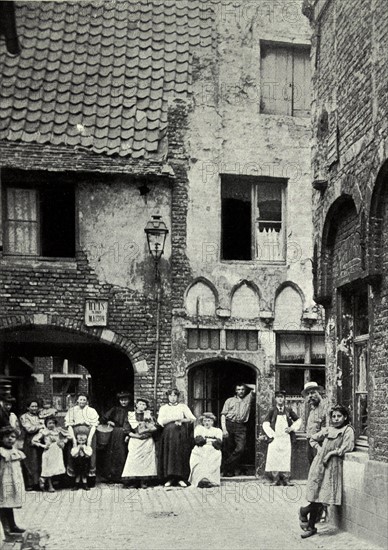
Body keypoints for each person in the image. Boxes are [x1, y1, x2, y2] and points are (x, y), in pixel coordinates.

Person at [299, 404, 354, 539]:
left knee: (323, 496)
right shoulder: (328, 429)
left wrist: (330, 454)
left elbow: (347, 447)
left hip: (332, 466)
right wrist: (319, 449)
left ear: (345, 417)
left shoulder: (348, 430)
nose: (336, 419)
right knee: (316, 494)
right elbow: (312, 438)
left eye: (339, 416)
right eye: (333, 416)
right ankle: (311, 527)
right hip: (319, 465)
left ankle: (304, 511)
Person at [157, 389, 196, 488]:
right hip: (168, 434)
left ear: (178, 397)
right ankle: (169, 479)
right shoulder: (164, 408)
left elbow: (192, 418)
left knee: (180, 454)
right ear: (168, 397)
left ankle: (180, 479)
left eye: (175, 396)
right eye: (170, 396)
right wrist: (173, 419)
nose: (173, 398)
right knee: (169, 455)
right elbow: (160, 421)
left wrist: (181, 420)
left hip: (180, 434)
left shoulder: (182, 406)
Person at [262, 390, 301, 486]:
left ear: (284, 399)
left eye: (282, 397)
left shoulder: (288, 410)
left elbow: (299, 420)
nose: (280, 399)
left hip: (285, 437)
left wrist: (292, 428)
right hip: (275, 438)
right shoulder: (272, 410)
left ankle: (286, 479)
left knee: (285, 457)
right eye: (278, 397)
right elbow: (265, 424)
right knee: (274, 457)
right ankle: (275, 479)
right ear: (275, 399)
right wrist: (271, 434)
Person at [220, 383, 255, 477]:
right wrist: (224, 429)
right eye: (238, 389)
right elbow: (223, 415)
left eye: (242, 389)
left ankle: (225, 466)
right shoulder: (229, 400)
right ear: (235, 391)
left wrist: (245, 384)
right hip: (229, 424)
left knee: (240, 448)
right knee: (228, 449)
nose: (241, 391)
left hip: (241, 426)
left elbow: (256, 387)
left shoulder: (248, 399)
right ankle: (229, 471)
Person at [121, 398, 157, 489]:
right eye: (140, 404)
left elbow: (154, 427)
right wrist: (136, 436)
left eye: (144, 405)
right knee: (134, 460)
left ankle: (144, 481)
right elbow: (127, 430)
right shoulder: (131, 415)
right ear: (136, 405)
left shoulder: (149, 415)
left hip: (147, 440)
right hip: (135, 440)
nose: (142, 406)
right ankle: (133, 481)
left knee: (146, 461)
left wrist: (148, 432)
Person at [64, 393, 99, 486]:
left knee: (90, 455)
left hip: (89, 434)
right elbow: (69, 426)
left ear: (87, 401)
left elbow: (94, 426)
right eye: (80, 399)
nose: (82, 401)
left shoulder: (92, 411)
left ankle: (88, 480)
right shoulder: (72, 410)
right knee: (73, 454)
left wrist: (89, 440)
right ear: (77, 400)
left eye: (84, 400)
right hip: (75, 434)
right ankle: (74, 480)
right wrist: (74, 440)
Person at [0, 426, 26, 541]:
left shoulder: (15, 451)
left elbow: (22, 466)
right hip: (2, 481)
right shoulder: (1, 451)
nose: (10, 439)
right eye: (7, 437)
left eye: (13, 437)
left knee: (9, 503)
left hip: (12, 480)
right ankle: (5, 528)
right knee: (2, 504)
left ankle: (13, 525)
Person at [99, 391, 131, 482]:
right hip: (115, 433)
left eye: (125, 400)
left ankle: (122, 476)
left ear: (128, 400)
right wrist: (109, 421)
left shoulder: (131, 410)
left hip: (125, 433)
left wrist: (128, 434)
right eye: (122, 400)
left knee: (123, 454)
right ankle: (112, 476)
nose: (123, 402)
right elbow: (104, 418)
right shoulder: (115, 409)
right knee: (113, 454)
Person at [32, 416, 68, 492]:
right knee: (48, 468)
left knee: (55, 468)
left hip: (57, 451)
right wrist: (43, 445)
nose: (51, 425)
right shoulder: (44, 431)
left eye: (53, 423)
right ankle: (48, 484)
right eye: (49, 423)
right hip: (49, 451)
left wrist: (63, 442)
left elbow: (69, 436)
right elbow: (34, 441)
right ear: (46, 424)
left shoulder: (58, 430)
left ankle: (45, 480)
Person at [189, 412, 223, 488]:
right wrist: (211, 440)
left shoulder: (217, 430)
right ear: (202, 422)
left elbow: (218, 443)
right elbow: (199, 441)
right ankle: (199, 480)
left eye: (209, 421)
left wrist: (206, 439)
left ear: (212, 421)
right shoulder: (199, 429)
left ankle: (211, 480)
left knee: (214, 456)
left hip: (213, 449)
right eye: (205, 421)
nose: (207, 423)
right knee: (199, 457)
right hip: (200, 449)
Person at [301, 381, 329, 465]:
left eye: (313, 393)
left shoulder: (325, 407)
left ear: (319, 392)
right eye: (308, 394)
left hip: (319, 442)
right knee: (311, 463)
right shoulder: (312, 408)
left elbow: (326, 427)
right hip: (310, 441)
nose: (310, 396)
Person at [20, 400, 44, 491]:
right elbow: (28, 429)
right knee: (31, 462)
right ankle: (31, 483)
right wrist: (39, 426)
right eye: (32, 406)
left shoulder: (39, 416)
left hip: (40, 439)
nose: (34, 408)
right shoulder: (24, 417)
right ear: (28, 407)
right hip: (29, 440)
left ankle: (39, 483)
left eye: (36, 406)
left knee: (40, 461)